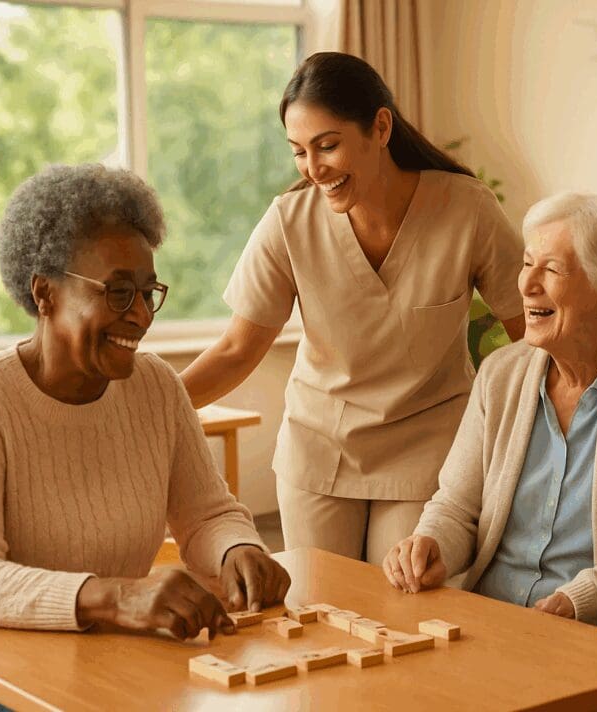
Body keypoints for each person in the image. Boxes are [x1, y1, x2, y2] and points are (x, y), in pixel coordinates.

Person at [180, 52, 525, 565]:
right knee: (321, 606)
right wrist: (145, 406)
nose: (314, 169)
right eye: (299, 152)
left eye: (328, 146)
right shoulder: (288, 222)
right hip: (320, 449)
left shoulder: (466, 209)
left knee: (403, 604)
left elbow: (532, 324)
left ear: (380, 128)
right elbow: (236, 349)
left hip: (425, 447)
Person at [0, 164, 290, 649]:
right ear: (44, 293)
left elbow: (207, 515)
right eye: (117, 292)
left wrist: (236, 549)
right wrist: (114, 598)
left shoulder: (156, 386)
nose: (139, 314)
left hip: (135, 655)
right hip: (18, 671)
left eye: (148, 292)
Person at [382, 193, 597, 637]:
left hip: (593, 631)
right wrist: (431, 543)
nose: (526, 284)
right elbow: (456, 504)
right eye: (526, 263)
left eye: (550, 269)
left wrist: (578, 599)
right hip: (487, 622)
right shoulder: (499, 375)